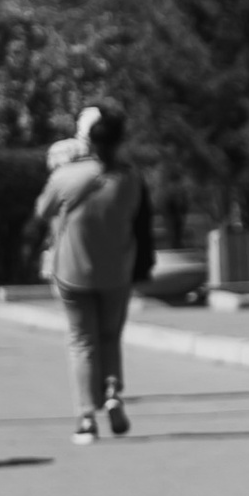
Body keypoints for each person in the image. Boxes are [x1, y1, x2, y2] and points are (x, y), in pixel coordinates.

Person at [31, 102, 152, 442]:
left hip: (72, 270)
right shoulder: (130, 178)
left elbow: (42, 210)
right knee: (110, 336)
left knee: (82, 341)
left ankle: (86, 417)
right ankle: (112, 391)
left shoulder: (67, 175)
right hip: (117, 270)